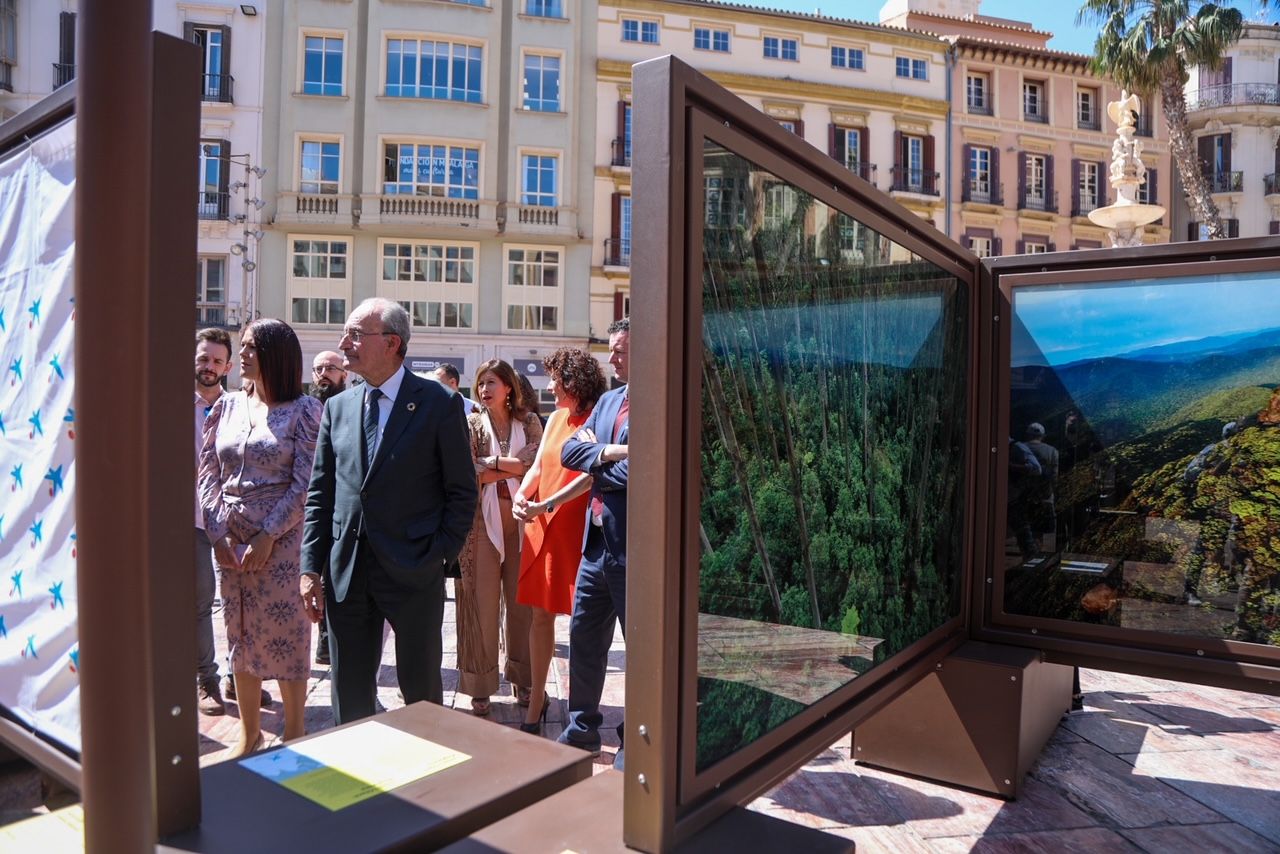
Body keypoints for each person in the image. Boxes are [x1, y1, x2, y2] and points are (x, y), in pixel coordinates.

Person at [300, 298, 476, 724]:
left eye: (357, 334)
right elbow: (321, 492)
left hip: (415, 569)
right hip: (349, 572)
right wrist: (310, 567)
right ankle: (358, 783)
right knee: (350, 694)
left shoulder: (438, 403)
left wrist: (438, 556)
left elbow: (462, 491)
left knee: (421, 694)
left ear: (392, 343)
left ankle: (425, 784)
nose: (345, 343)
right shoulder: (338, 406)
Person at [198, 319, 321, 757]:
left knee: (288, 637)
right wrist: (216, 533)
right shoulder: (226, 407)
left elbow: (305, 482)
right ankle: (249, 736)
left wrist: (268, 535)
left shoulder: (305, 410)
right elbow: (208, 472)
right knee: (240, 635)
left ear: (276, 354)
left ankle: (295, 734)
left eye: (252, 346)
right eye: (243, 346)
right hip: (230, 542)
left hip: (281, 544)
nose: (243, 353)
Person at [511, 348, 607, 733]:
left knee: (586, 623)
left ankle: (583, 711)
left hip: (579, 527)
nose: (549, 385)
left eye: (555, 379)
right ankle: (536, 700)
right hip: (542, 523)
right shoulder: (555, 419)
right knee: (539, 615)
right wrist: (523, 494)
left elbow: (592, 474)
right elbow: (539, 466)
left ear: (574, 381)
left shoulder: (600, 416)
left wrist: (544, 504)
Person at [557, 318, 630, 761]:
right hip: (596, 548)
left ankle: (636, 737)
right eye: (612, 348)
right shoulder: (607, 401)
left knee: (639, 650)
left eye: (621, 349)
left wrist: (598, 463)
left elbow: (647, 467)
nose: (612, 357)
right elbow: (570, 451)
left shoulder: (663, 399)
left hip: (635, 551)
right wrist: (611, 452)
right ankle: (581, 728)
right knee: (584, 639)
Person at [456, 360, 542, 716]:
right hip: (480, 524)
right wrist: (512, 466)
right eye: (479, 384)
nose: (483, 390)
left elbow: (536, 462)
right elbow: (467, 471)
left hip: (525, 524)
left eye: (491, 382)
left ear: (509, 387)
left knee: (524, 605)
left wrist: (491, 464)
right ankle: (480, 686)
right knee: (480, 603)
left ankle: (525, 679)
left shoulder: (531, 422)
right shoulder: (471, 423)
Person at [194, 328, 232, 716]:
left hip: (229, 519)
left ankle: (243, 676)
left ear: (228, 366)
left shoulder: (235, 406)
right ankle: (206, 679)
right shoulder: (169, 403)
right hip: (188, 520)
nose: (209, 367)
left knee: (240, 598)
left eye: (217, 361)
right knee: (201, 601)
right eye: (204, 358)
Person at [308, 350, 348, 667]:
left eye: (330, 368)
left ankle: (328, 641)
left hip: (340, 507)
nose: (324, 373)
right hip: (307, 507)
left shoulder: (353, 407)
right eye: (319, 368)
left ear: (343, 374)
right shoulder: (304, 409)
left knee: (331, 578)